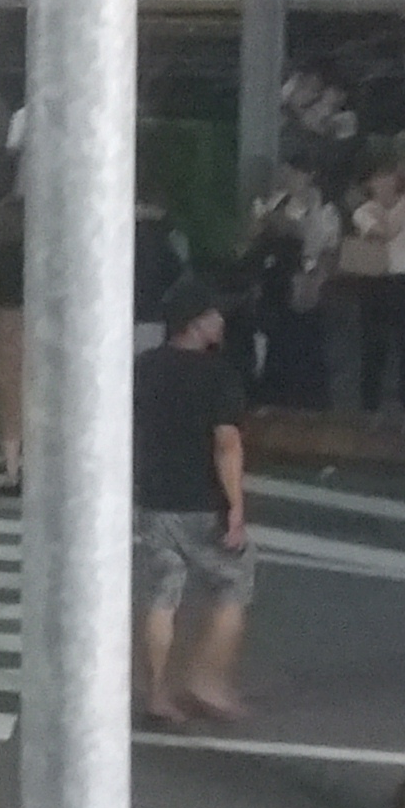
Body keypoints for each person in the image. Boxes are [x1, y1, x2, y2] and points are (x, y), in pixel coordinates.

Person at [132, 299, 256, 722]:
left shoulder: (144, 367)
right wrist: (235, 506)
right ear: (194, 323)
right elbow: (227, 444)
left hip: (154, 497)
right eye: (213, 317)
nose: (220, 323)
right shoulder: (218, 375)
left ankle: (156, 695)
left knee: (161, 596)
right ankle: (206, 683)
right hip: (202, 502)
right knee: (233, 582)